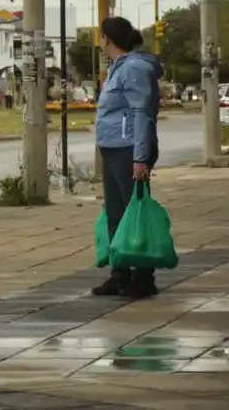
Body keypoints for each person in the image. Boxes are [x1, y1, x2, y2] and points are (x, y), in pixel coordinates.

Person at [93, 16, 162, 299]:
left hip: (128, 150)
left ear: (107, 39)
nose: (99, 41)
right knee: (116, 214)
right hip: (113, 147)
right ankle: (119, 273)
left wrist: (140, 157)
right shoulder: (118, 67)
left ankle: (144, 277)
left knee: (135, 214)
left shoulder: (133, 68)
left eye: (101, 36)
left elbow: (141, 113)